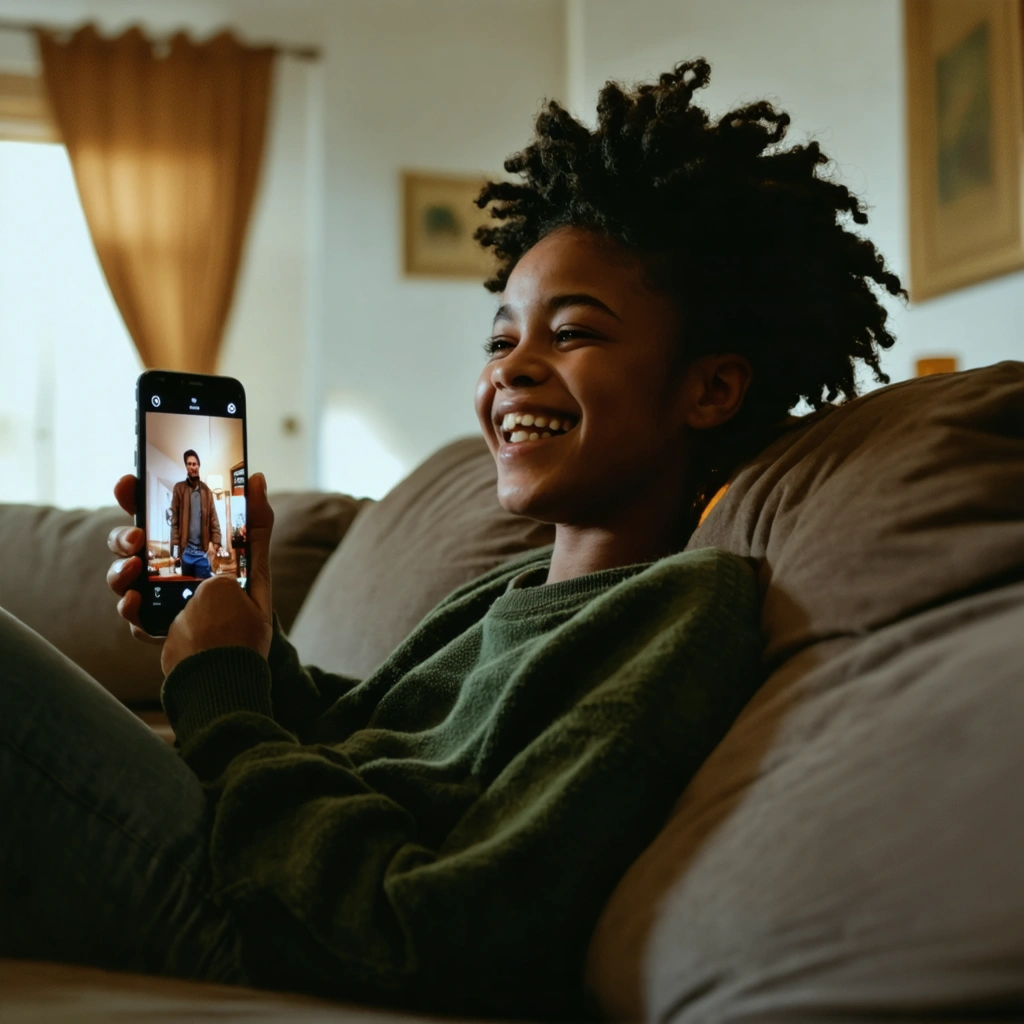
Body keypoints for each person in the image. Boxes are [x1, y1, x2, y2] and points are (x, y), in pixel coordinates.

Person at [0, 59, 904, 1018]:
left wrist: (219, 688)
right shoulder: (506, 594)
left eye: (572, 333)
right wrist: (252, 647)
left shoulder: (680, 613)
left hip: (262, 922)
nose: (513, 369)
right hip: (252, 864)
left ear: (710, 388)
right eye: (501, 340)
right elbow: (354, 746)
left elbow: (423, 930)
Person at [170, 449, 221, 579]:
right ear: (186, 466)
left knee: (203, 589)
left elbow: (214, 519)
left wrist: (215, 545)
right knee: (187, 589)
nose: (192, 467)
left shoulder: (207, 492)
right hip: (186, 554)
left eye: (194, 464)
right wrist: (175, 554)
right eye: (189, 464)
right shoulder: (179, 489)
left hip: (202, 555)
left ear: (198, 466)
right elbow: (175, 523)